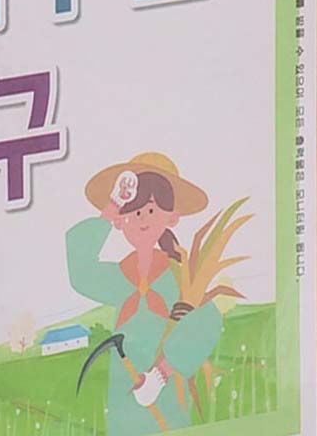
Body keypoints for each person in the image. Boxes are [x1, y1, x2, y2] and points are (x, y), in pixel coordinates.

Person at [66, 153, 222, 435]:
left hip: (168, 393)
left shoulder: (179, 277)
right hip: (123, 396)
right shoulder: (119, 279)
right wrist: (111, 207)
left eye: (151, 210)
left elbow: (207, 319)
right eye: (134, 212)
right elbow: (81, 270)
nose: (142, 220)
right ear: (120, 221)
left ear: (171, 218)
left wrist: (162, 372)